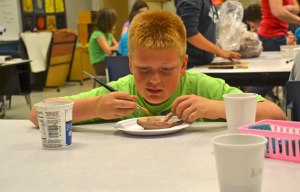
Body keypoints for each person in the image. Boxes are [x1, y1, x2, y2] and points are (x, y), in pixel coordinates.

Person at [29, 10, 286, 127]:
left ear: (184, 65)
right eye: (143, 69)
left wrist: (215, 108)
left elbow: (277, 116)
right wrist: (95, 108)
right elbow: (36, 115)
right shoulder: (119, 93)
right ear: (129, 64)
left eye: (166, 70)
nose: (154, 80)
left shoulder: (201, 88)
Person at [174, 0, 241, 69]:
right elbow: (189, 33)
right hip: (191, 64)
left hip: (201, 63)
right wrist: (220, 51)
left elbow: (206, 28)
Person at [88, 8, 119, 75]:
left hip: (107, 61)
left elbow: (118, 46)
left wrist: (118, 46)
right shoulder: (98, 34)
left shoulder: (109, 34)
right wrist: (118, 46)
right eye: (113, 22)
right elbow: (109, 51)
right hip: (99, 64)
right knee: (122, 67)